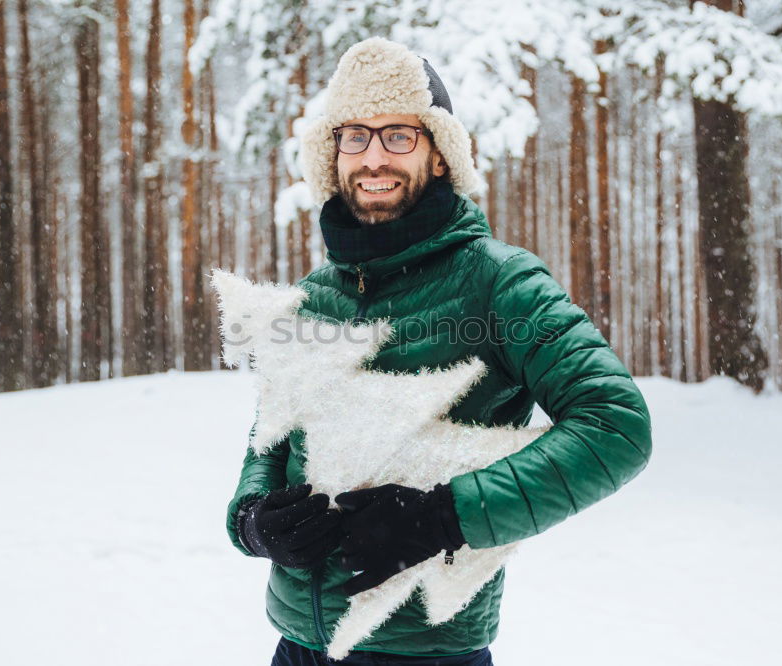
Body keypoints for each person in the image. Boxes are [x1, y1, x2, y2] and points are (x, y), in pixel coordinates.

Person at [226, 37, 652, 666]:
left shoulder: (501, 282)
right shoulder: (313, 296)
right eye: (355, 136)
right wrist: (253, 519)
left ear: (441, 156)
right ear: (332, 155)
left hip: (426, 650)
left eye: (399, 135)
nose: (374, 157)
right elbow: (272, 436)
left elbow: (616, 427)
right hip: (299, 644)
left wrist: (444, 517)